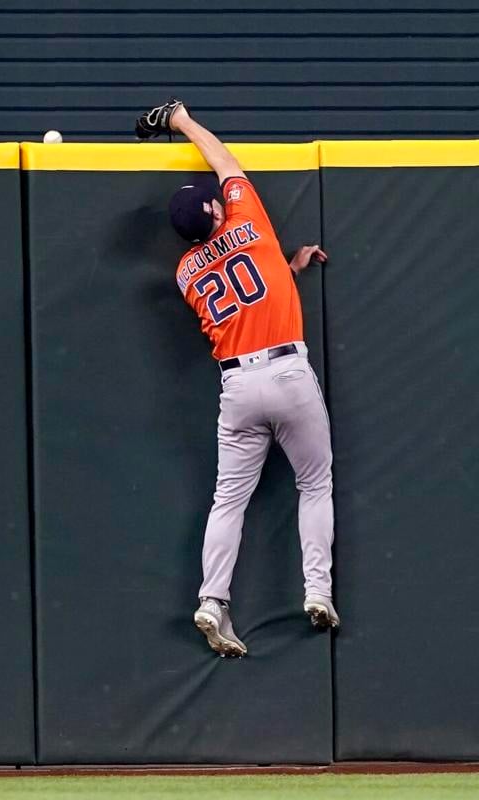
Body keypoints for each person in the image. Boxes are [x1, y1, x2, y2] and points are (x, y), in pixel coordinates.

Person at [135, 99, 339, 658]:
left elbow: (239, 280)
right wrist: (179, 121)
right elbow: (225, 164)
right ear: (218, 213)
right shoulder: (247, 220)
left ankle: (211, 600)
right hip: (288, 370)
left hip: (239, 388)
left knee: (228, 501)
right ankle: (317, 591)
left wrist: (283, 267)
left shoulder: (183, 273)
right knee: (314, 484)